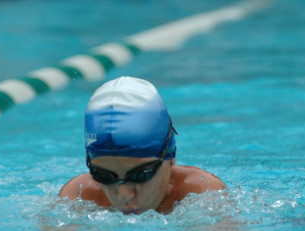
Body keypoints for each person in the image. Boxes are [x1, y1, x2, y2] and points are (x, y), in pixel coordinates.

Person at [59, 76, 226, 214]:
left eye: (140, 175)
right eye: (103, 176)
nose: (124, 195)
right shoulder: (79, 196)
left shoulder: (201, 191)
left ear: (170, 157)